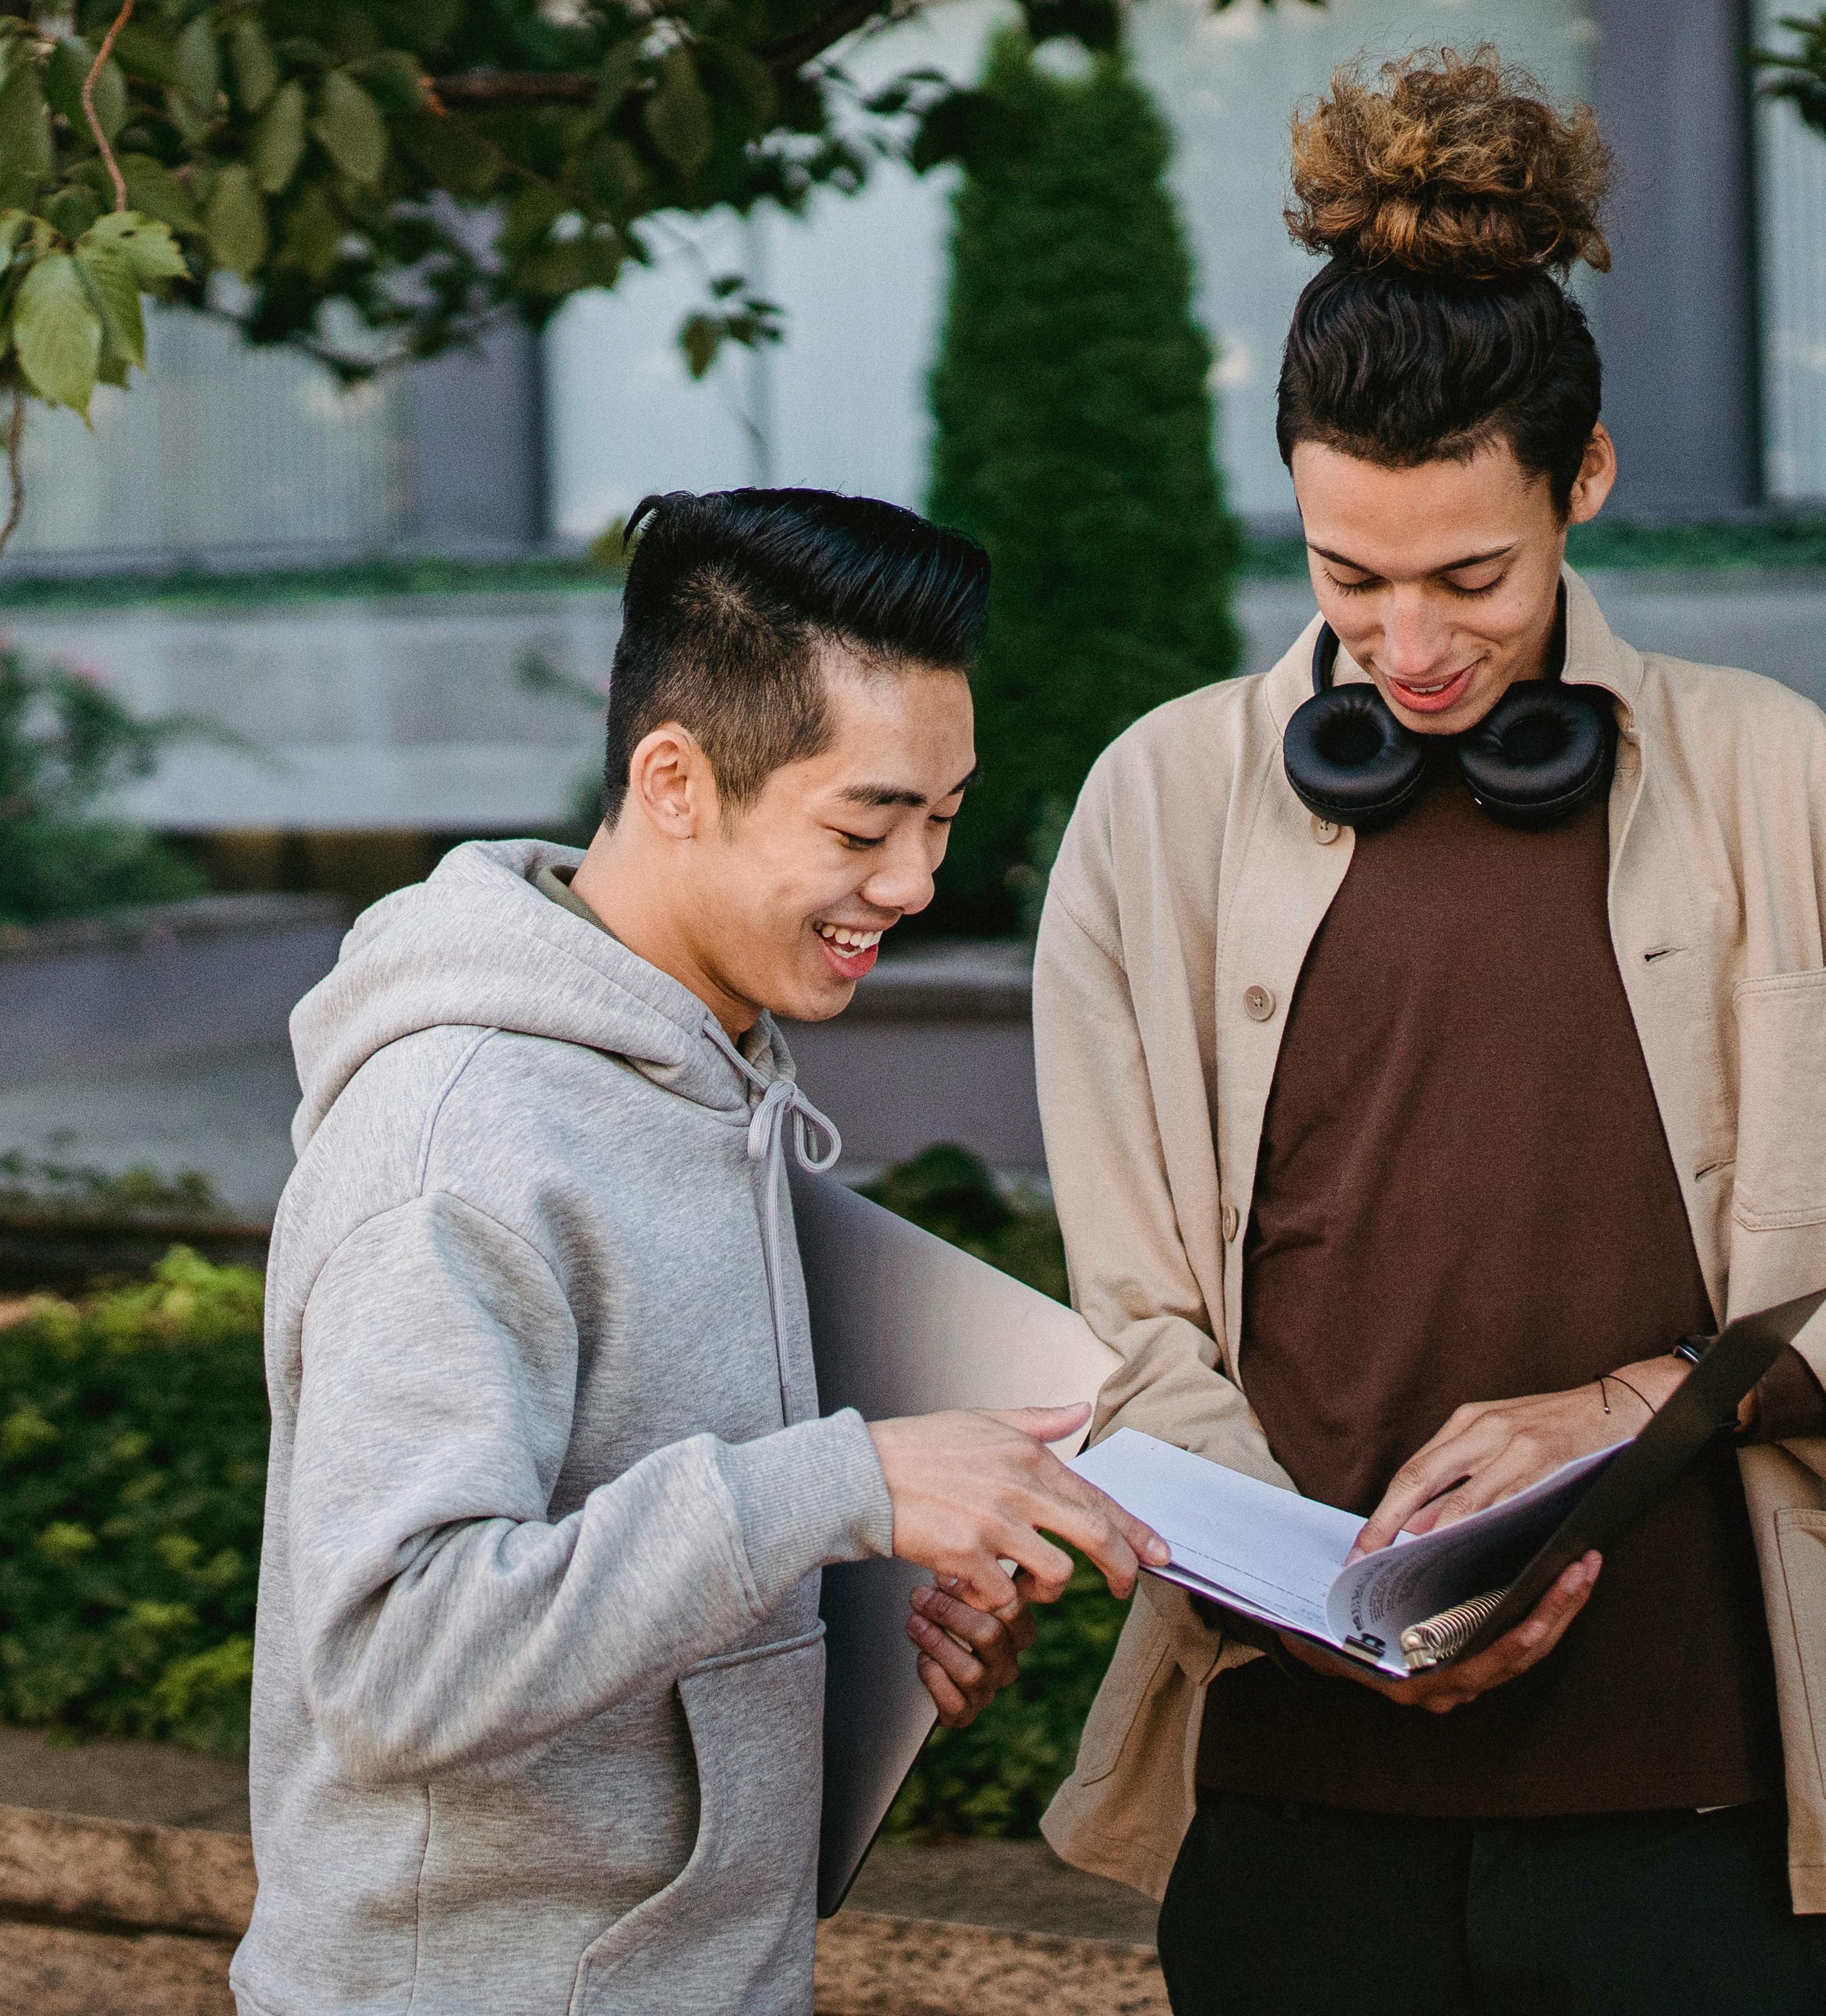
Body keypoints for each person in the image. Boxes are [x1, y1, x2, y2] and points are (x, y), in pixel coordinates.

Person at [1033, 51, 1826, 2014]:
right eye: (1349, 578)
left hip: (1688, 1800)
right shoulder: (1154, 807)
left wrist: (1652, 1398)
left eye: (1474, 577)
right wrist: (1314, 1602)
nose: (1413, 647)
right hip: (1289, 1783)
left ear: (1582, 483)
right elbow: (1128, 1332)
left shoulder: (1780, 780)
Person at [232, 486, 1166, 2016]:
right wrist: (840, 1483)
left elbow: (674, 1537)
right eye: (867, 822)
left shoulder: (708, 1070)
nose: (918, 883)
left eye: (943, 814)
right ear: (674, 778)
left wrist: (862, 1605)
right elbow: (394, 1665)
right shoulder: (456, 1142)